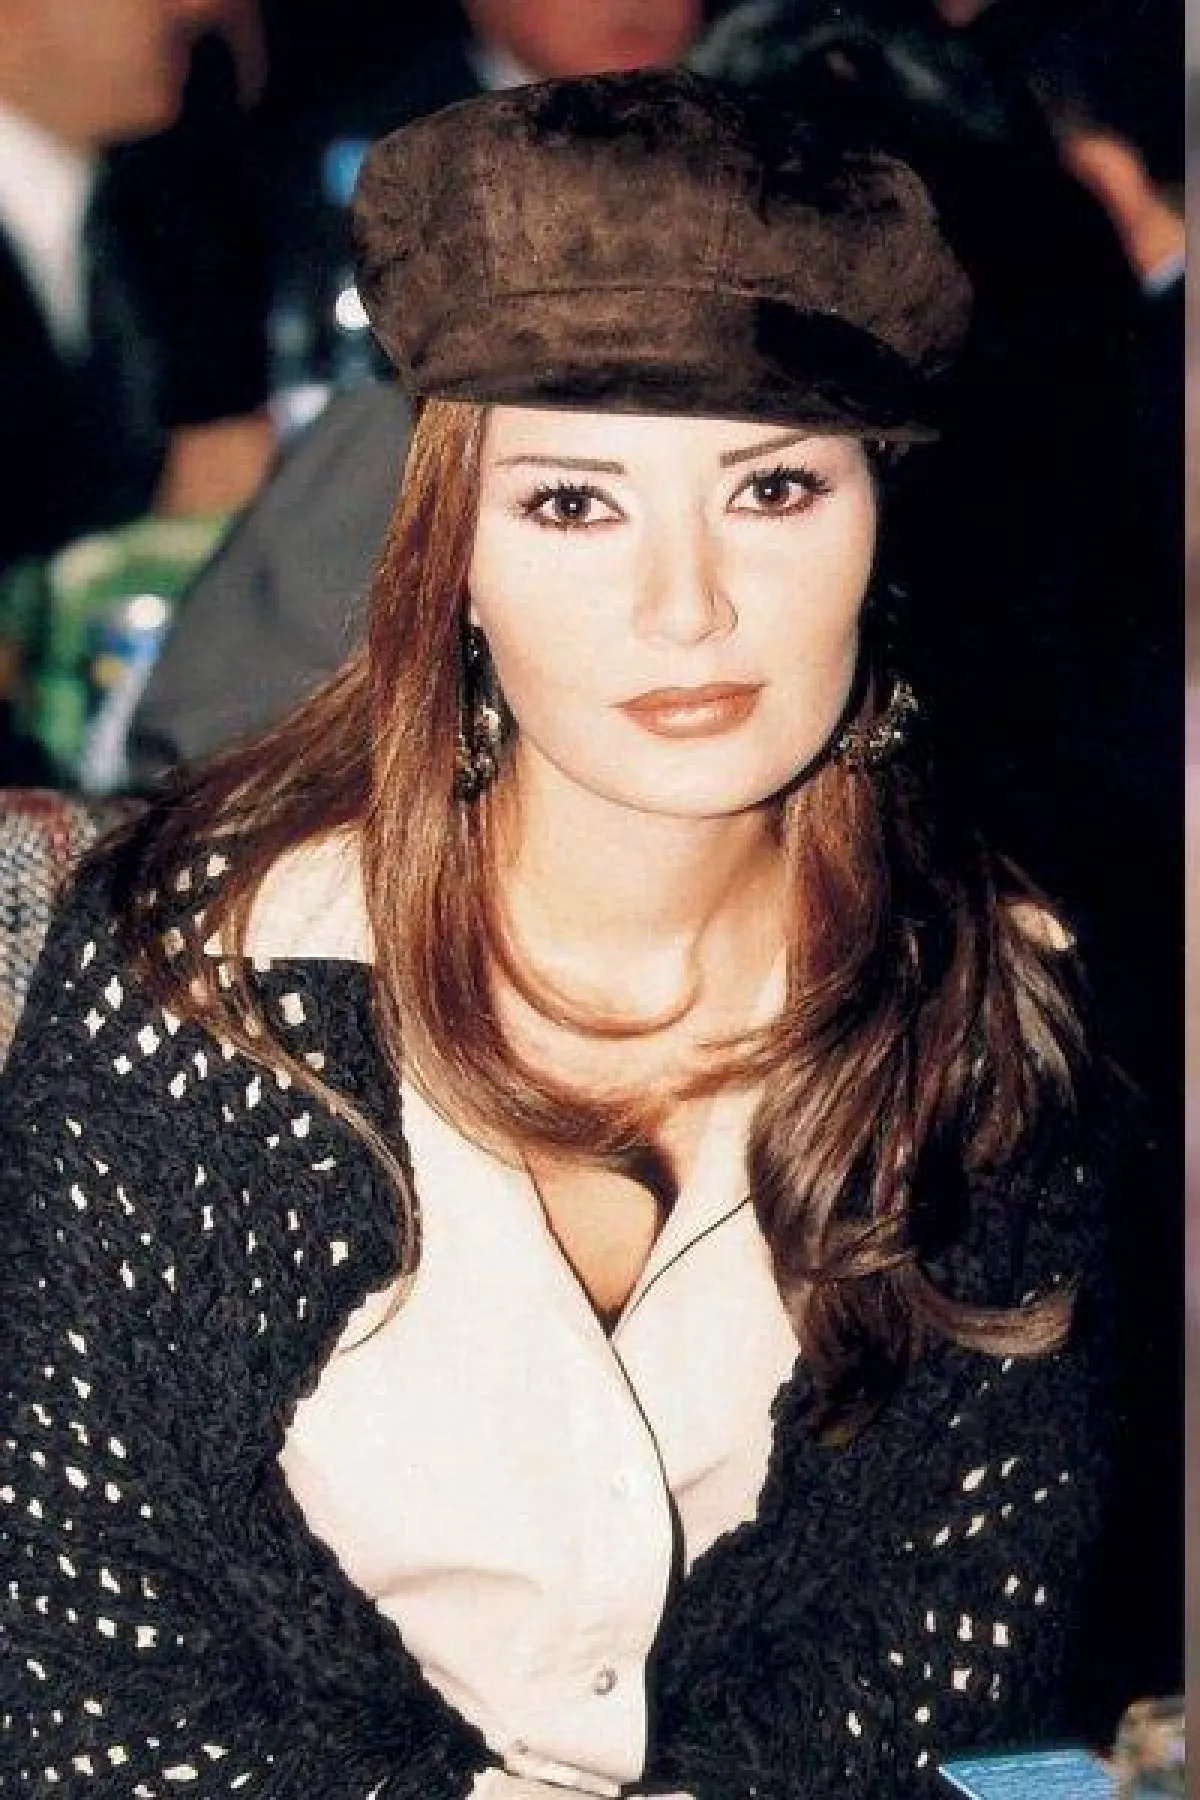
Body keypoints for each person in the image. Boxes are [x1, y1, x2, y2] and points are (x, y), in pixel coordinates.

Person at [1, 71, 1123, 1798]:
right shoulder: (206, 982)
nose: (688, 607)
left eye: (772, 490)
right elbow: (75, 1679)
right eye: (574, 504)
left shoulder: (985, 1003)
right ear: (448, 555)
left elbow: (952, 1651)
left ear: (880, 520)